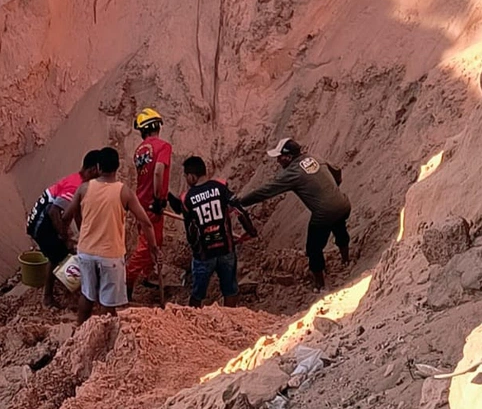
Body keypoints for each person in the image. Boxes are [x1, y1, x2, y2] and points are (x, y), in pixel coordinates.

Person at [237, 138, 352, 290]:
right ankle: (346, 261)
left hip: (323, 214)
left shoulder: (292, 173)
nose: (278, 160)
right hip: (343, 204)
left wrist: (241, 201)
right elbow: (337, 170)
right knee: (340, 229)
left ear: (288, 157)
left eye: (280, 157)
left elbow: (266, 191)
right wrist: (333, 189)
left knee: (313, 249)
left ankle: (320, 285)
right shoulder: (314, 158)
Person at [63, 147, 155, 325]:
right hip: (110, 255)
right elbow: (146, 222)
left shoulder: (84, 188)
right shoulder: (124, 192)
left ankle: (79, 331)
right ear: (117, 167)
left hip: (86, 252)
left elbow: (67, 215)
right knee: (108, 302)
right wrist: (153, 248)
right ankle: (102, 333)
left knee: (87, 295)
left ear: (98, 167)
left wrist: (72, 236)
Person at [25, 150, 101, 307]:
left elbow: (75, 213)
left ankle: (55, 293)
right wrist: (65, 237)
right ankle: (60, 297)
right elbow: (54, 211)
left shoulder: (77, 180)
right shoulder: (75, 186)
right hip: (42, 222)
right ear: (93, 170)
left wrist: (83, 236)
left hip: (42, 219)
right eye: (99, 173)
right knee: (62, 257)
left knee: (59, 254)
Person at [179, 156, 257, 307]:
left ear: (192, 176)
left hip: (204, 254)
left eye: (186, 176)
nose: (186, 180)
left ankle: (191, 318)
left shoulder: (186, 198)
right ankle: (230, 316)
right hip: (226, 249)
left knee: (197, 293)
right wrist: (250, 231)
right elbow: (239, 210)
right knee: (230, 290)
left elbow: (190, 231)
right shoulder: (220, 187)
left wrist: (195, 250)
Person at [125, 107, 173, 300]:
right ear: (157, 126)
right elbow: (158, 171)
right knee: (148, 245)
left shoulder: (139, 150)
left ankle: (147, 274)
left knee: (149, 240)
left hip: (140, 202)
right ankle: (127, 280)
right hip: (153, 205)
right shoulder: (164, 147)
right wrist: (158, 199)